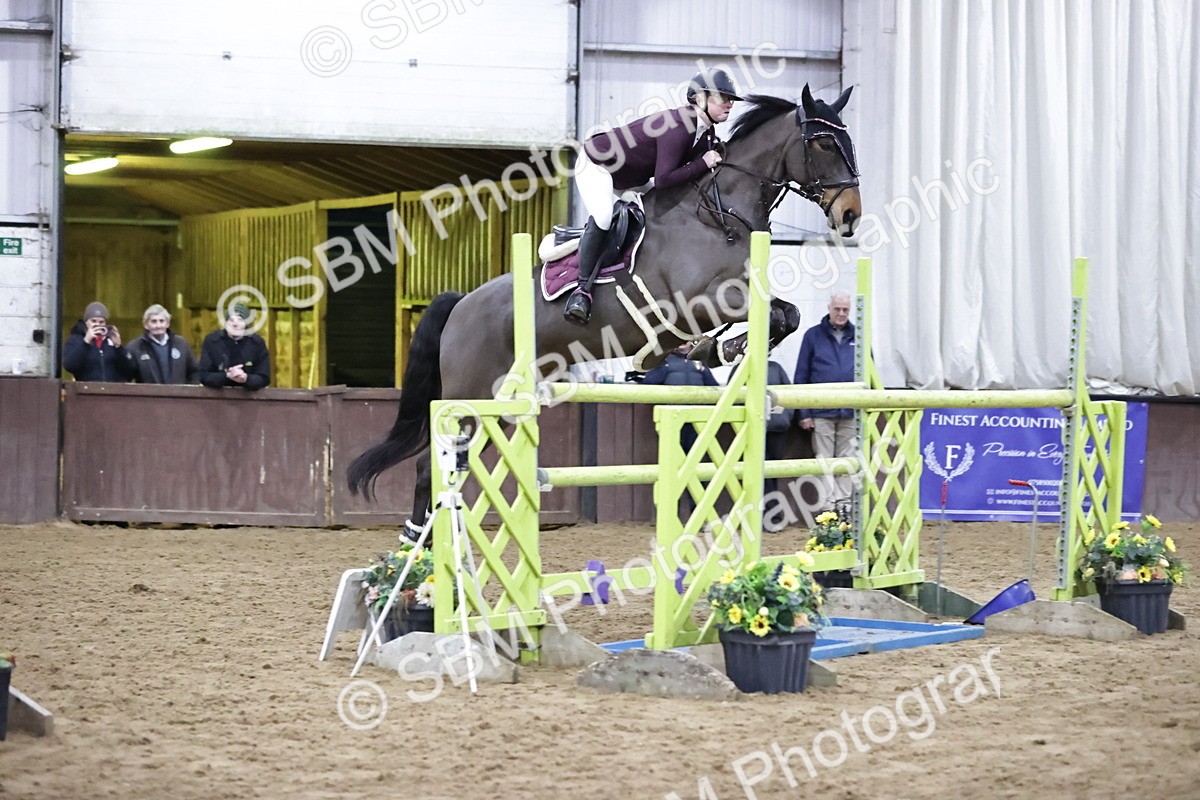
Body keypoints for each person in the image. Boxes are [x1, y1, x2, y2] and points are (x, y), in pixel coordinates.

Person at [563, 68, 742, 326]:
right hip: (598, 164)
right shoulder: (679, 125)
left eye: (731, 99)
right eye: (722, 97)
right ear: (700, 98)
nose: (729, 103)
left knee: (666, 214)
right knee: (603, 217)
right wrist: (703, 163)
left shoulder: (707, 133)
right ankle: (582, 292)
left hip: (630, 179)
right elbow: (664, 180)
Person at [794, 292, 856, 509]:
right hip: (821, 411)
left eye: (845, 310)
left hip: (850, 411)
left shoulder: (858, 337)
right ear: (829, 308)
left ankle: (844, 505)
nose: (841, 313)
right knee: (824, 460)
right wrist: (804, 412)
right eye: (837, 309)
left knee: (847, 460)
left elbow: (869, 371)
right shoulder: (813, 336)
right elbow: (801, 374)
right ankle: (828, 508)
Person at [197, 303, 270, 390]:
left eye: (240, 320)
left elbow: (264, 377)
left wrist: (245, 378)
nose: (235, 324)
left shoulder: (257, 344)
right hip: (218, 398)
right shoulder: (212, 342)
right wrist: (227, 376)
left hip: (249, 398)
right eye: (231, 320)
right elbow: (203, 375)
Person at [62, 301, 136, 382]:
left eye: (101, 322)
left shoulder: (110, 340)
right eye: (93, 321)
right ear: (86, 322)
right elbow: (69, 365)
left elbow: (129, 369)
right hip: (85, 390)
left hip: (111, 390)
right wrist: (86, 342)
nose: (97, 324)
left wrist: (119, 347)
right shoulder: (75, 340)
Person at [125, 304, 199, 384]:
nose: (158, 325)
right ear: (146, 325)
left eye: (162, 321)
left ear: (167, 324)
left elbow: (194, 372)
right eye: (154, 321)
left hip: (178, 395)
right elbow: (126, 376)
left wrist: (187, 392)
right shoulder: (135, 347)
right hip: (149, 396)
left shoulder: (181, 344)